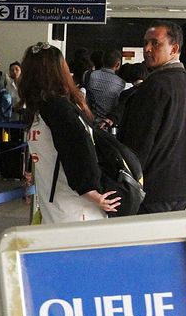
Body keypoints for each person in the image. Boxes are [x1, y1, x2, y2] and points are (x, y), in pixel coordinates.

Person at [18, 42, 120, 223]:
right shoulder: (49, 106)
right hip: (61, 205)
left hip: (74, 209)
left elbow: (79, 148)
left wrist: (92, 193)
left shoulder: (56, 107)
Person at [118, 21, 186, 213]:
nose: (147, 49)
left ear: (174, 49)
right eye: (145, 43)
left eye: (155, 43)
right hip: (179, 189)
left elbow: (138, 143)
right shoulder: (181, 82)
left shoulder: (154, 87)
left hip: (152, 191)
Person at [84, 49, 125, 122]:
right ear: (118, 64)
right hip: (109, 123)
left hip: (90, 120)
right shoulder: (121, 83)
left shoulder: (89, 75)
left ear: (102, 61)